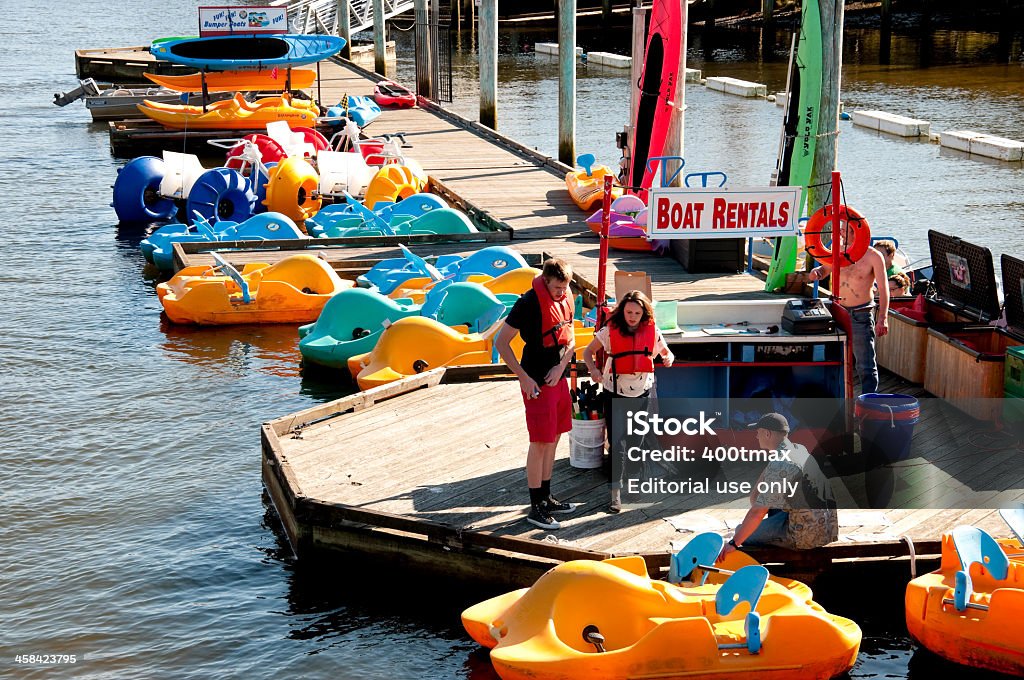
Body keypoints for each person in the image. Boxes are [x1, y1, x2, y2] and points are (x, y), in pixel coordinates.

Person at [495, 257, 578, 530]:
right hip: (536, 383)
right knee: (540, 442)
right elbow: (501, 343)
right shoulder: (528, 302)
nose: (560, 294)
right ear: (545, 281)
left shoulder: (567, 296)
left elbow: (572, 337)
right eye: (556, 289)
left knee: (554, 438)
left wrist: (561, 366)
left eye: (564, 289)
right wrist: (524, 378)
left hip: (558, 377)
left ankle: (546, 497)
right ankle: (535, 508)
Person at [582, 290, 675, 513]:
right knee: (618, 443)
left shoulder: (653, 331)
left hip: (642, 393)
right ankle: (615, 494)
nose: (632, 316)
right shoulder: (609, 331)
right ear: (622, 311)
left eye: (636, 312)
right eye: (628, 312)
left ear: (644, 313)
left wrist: (668, 357)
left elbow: (666, 352)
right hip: (614, 391)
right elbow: (587, 352)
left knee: (637, 442)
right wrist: (594, 370)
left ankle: (633, 482)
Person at [718, 413, 838, 559]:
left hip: (805, 536)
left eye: (758, 432)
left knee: (740, 532)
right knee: (757, 517)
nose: (756, 436)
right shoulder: (799, 449)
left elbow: (757, 511)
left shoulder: (781, 464)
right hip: (826, 528)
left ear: (767, 434)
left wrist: (734, 543)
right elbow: (756, 498)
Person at [805, 241, 889, 394]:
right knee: (832, 358)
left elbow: (883, 289)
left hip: (861, 313)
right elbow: (824, 270)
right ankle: (834, 399)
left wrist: (883, 318)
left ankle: (868, 403)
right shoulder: (837, 250)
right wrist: (816, 272)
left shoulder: (873, 256)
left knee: (865, 365)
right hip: (837, 311)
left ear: (857, 230)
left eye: (846, 230)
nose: (842, 233)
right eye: (841, 229)